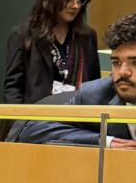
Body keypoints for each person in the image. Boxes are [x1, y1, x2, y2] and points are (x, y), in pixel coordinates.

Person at [15, 14, 136, 148]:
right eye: (116, 62)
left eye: (135, 63)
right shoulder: (95, 95)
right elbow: (33, 130)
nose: (123, 72)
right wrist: (104, 141)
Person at [3, 0, 100, 107]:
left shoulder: (87, 36)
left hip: (78, 117)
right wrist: (21, 123)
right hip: (37, 119)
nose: (75, 6)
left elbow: (95, 86)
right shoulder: (24, 35)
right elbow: (13, 88)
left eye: (79, 0)